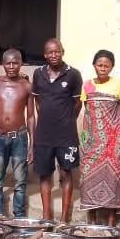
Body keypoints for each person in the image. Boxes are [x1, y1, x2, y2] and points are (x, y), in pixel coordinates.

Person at [31, 38, 82, 223]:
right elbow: (37, 102)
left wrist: (66, 120)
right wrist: (47, 118)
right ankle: (46, 216)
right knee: (44, 174)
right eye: (50, 52)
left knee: (66, 174)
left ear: (63, 51)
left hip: (66, 135)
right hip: (43, 135)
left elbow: (77, 104)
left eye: (57, 51)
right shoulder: (38, 74)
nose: (54, 55)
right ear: (45, 55)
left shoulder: (73, 75)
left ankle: (64, 219)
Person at [80, 49, 120, 225]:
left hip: (112, 141)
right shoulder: (87, 85)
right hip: (92, 141)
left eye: (107, 66)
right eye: (99, 65)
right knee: (87, 177)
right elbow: (87, 112)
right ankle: (91, 221)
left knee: (113, 178)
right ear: (94, 66)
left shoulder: (119, 84)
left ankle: (111, 222)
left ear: (112, 67)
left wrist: (119, 140)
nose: (103, 68)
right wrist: (86, 140)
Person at [0, 49, 33, 218]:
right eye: (8, 63)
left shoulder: (26, 86)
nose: (12, 66)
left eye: (15, 63)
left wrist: (31, 144)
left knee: (20, 180)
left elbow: (31, 116)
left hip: (19, 137)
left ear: (21, 63)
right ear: (3, 64)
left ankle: (18, 215)